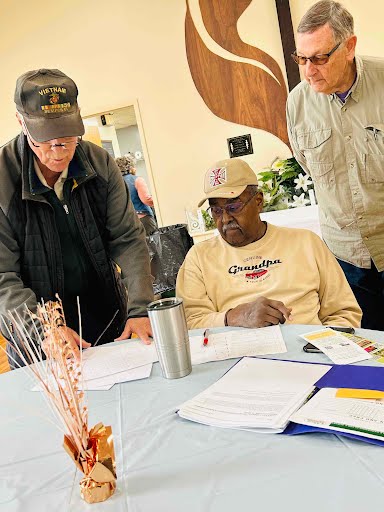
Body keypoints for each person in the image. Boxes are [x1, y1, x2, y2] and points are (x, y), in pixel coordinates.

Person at [0, 68, 154, 369]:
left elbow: (128, 239)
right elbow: (3, 277)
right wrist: (44, 329)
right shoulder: (2, 180)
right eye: (45, 141)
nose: (59, 153)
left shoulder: (99, 163)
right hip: (39, 339)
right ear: (21, 122)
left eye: (68, 139)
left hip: (108, 321)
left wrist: (139, 308)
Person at [286, 0, 384, 330]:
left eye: (319, 58)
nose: (309, 70)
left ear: (350, 46)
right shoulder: (297, 103)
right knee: (369, 356)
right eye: (301, 58)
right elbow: (307, 163)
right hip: (347, 260)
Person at [176, 158, 361, 329]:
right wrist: (232, 317)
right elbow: (190, 323)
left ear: (258, 201)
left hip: (310, 351)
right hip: (239, 358)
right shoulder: (199, 258)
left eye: (233, 207)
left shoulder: (306, 243)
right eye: (216, 210)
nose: (225, 219)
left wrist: (324, 346)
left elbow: (344, 312)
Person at [115, 155, 158, 236]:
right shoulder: (137, 180)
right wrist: (159, 202)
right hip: (143, 219)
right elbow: (146, 200)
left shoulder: (116, 184)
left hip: (126, 222)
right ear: (131, 167)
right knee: (152, 245)